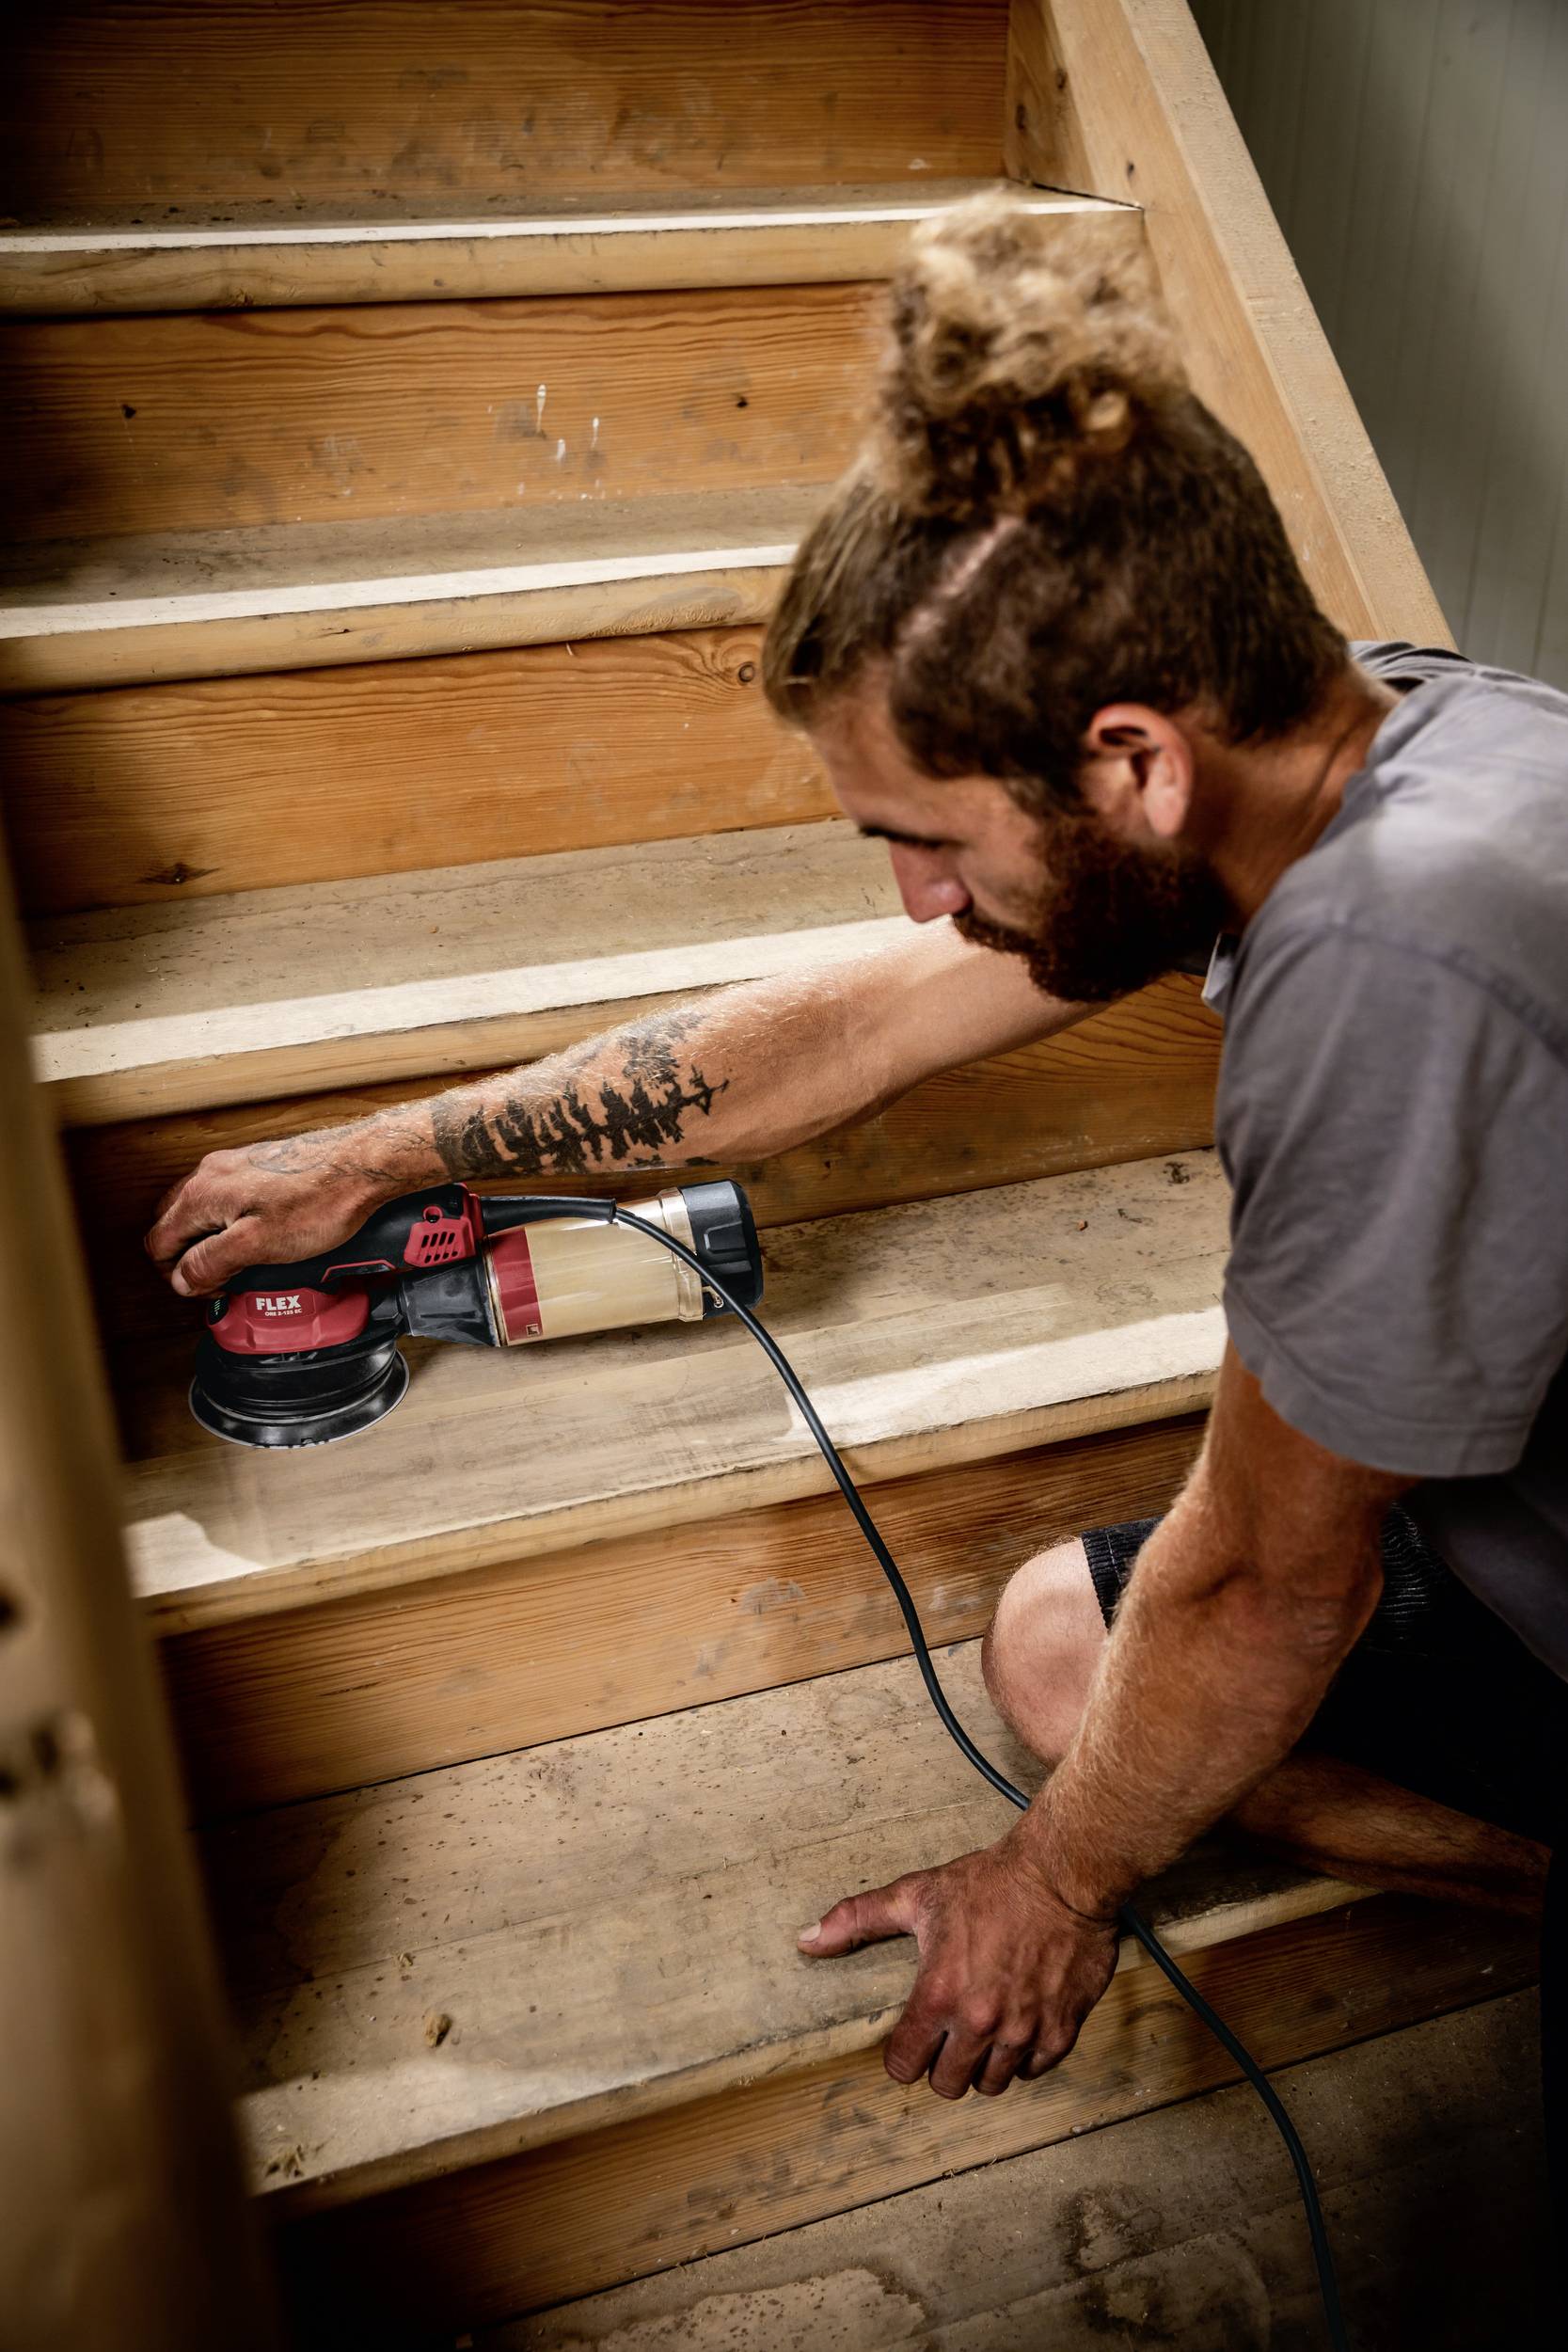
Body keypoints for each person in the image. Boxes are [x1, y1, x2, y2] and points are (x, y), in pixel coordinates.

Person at [147, 201, 1568, 2171]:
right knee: (1094, 1629)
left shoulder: (1390, 976)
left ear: (1132, 764)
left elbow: (1267, 1584)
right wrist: (382, 1153)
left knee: (1126, 1651)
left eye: (929, 842)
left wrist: (1053, 1881)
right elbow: (842, 1033)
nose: (916, 902)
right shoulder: (1390, 728)